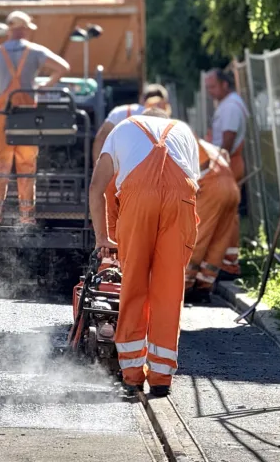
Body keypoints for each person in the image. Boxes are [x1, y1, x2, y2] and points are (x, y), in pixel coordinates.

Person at [89, 107, 200, 397]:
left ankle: (132, 375)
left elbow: (96, 188)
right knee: (169, 291)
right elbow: (193, 185)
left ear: (143, 116)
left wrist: (103, 237)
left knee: (134, 286)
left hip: (139, 202)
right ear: (165, 117)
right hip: (181, 202)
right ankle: (162, 377)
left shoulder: (122, 128)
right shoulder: (184, 131)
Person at [0, 10, 70, 226]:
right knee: (27, 166)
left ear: (9, 30)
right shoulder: (36, 51)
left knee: (0, 167)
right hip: (28, 116)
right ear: (26, 29)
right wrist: (42, 87)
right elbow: (63, 68)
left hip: (2, 116)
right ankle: (27, 217)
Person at [91, 84, 172, 245]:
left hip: (113, 174)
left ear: (142, 99)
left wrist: (98, 171)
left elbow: (101, 138)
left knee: (111, 223)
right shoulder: (164, 117)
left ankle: (109, 263)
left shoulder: (122, 112)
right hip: (146, 180)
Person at [204, 68, 249, 279]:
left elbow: (228, 138)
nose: (210, 92)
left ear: (224, 84)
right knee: (227, 215)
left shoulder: (230, 106)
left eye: (212, 87)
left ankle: (228, 264)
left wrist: (218, 163)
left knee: (227, 216)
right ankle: (224, 261)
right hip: (228, 162)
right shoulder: (229, 104)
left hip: (228, 163)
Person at [184, 138, 240, 304]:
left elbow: (203, 163)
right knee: (218, 240)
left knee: (196, 238)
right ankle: (203, 287)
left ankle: (185, 286)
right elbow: (224, 154)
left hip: (211, 187)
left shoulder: (186, 139)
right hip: (230, 187)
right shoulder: (209, 146)